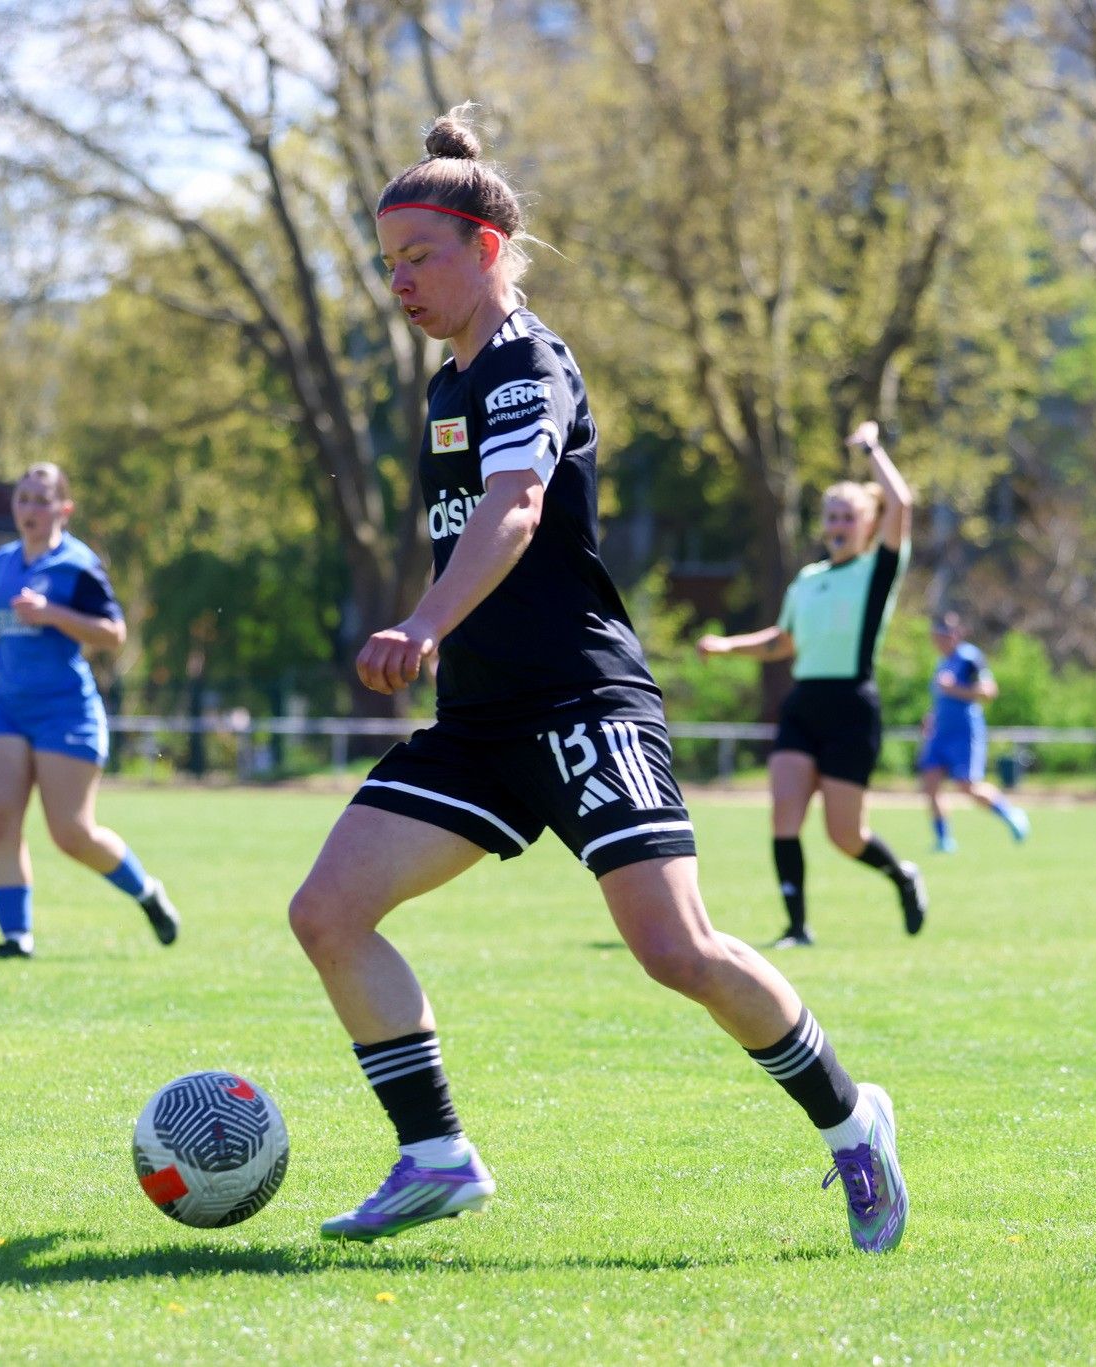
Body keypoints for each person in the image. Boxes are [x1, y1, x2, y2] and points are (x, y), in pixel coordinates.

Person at [287, 107, 906, 1253]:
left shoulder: (527, 360)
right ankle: (435, 1154)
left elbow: (517, 509)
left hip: (580, 701)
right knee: (327, 912)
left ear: (484, 248)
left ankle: (850, 1114)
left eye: (418, 258)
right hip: (479, 719)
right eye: (386, 264)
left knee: (677, 950)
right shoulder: (441, 389)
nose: (400, 283)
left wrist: (421, 620)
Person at [696, 423, 926, 948]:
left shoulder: (875, 571)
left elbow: (903, 504)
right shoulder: (808, 580)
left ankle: (901, 876)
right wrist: (728, 646)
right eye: (832, 517)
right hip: (804, 704)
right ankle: (797, 928)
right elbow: (784, 640)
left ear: (869, 525)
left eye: (849, 516)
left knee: (845, 836)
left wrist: (871, 450)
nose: (839, 524)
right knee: (784, 814)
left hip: (851, 707)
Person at [0, 463, 179, 958]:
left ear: (64, 508)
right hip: (8, 707)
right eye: (22, 498)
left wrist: (52, 613)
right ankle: (17, 937)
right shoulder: (3, 559)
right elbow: (7, 617)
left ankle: (148, 893)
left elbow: (114, 633)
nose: (29, 509)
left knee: (72, 834)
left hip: (66, 711)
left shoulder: (78, 564)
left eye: (40, 499)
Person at [917, 613, 1030, 852]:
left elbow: (989, 691)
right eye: (936, 636)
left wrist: (955, 688)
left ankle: (1009, 813)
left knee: (967, 786)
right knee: (930, 783)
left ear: (955, 635)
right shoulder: (941, 662)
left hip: (965, 733)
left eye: (943, 636)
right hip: (941, 734)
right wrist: (932, 717)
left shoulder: (969, 658)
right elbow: (941, 698)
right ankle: (944, 840)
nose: (939, 641)